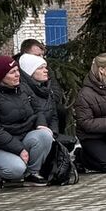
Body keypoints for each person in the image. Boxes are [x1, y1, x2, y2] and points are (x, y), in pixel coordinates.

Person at [0, 55, 53, 184]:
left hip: (24, 137)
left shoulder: (23, 88)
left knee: (44, 135)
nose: (18, 74)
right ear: (0, 76)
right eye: (12, 72)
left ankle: (32, 173)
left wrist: (41, 124)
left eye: (18, 70)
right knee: (16, 169)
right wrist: (19, 149)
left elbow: (38, 110)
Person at [19, 54, 77, 186]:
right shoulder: (24, 91)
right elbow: (31, 117)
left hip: (49, 133)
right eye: (41, 68)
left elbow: (54, 115)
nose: (46, 71)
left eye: (46, 67)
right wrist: (46, 133)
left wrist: (54, 133)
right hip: (33, 135)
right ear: (30, 71)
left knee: (67, 142)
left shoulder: (46, 89)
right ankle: (32, 171)